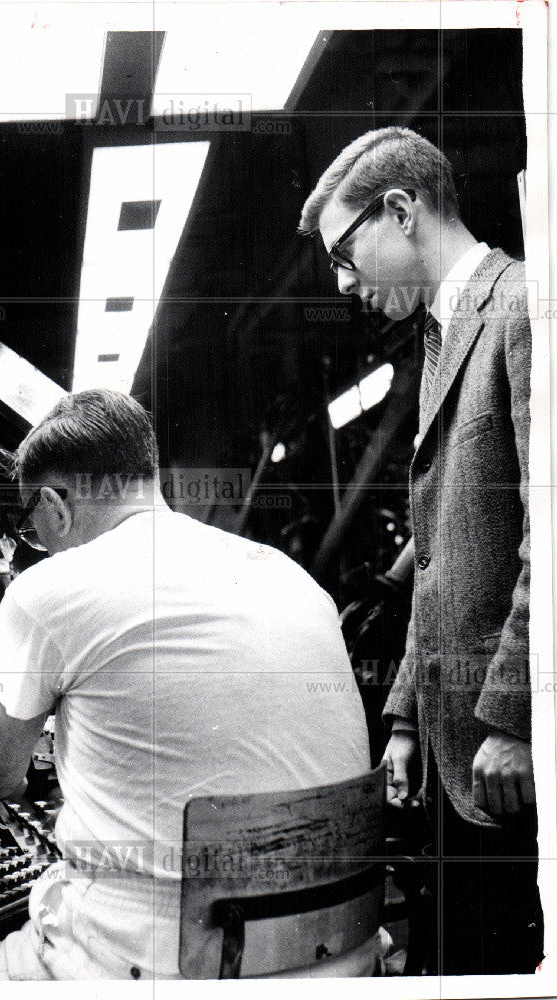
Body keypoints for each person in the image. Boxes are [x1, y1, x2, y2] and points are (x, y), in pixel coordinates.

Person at [0, 388, 374, 980]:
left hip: (160, 967)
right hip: (344, 954)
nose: (34, 544)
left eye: (30, 526)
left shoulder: (51, 587)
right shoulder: (289, 575)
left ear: (54, 504)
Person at [298, 126, 541, 975]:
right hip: (450, 751)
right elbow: (438, 558)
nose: (342, 280)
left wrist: (517, 717)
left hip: (501, 753)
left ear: (401, 211)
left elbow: (549, 539)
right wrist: (403, 715)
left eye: (344, 252)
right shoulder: (439, 343)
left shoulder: (520, 311)